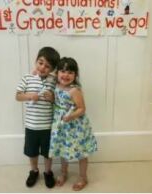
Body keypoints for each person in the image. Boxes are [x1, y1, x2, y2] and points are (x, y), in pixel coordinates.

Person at [49, 57, 98, 191]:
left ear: (75, 75)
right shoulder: (56, 85)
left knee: (81, 152)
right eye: (63, 71)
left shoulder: (74, 90)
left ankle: (83, 177)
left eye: (70, 72)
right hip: (61, 124)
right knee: (62, 149)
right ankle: (64, 172)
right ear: (57, 73)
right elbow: (47, 75)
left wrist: (71, 116)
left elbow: (82, 108)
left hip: (75, 126)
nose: (66, 75)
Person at [15, 46, 60, 188]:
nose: (42, 68)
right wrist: (29, 96)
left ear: (52, 69)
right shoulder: (27, 78)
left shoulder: (53, 81)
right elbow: (17, 96)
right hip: (31, 125)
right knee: (32, 151)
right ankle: (34, 171)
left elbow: (60, 98)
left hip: (47, 126)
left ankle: (48, 172)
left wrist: (52, 98)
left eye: (47, 66)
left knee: (48, 153)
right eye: (40, 63)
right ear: (36, 61)